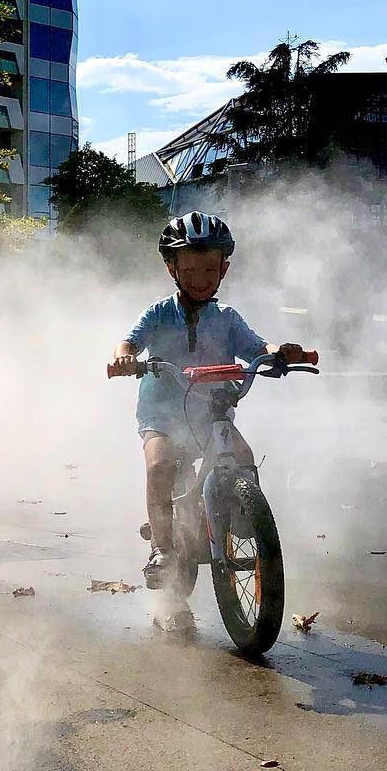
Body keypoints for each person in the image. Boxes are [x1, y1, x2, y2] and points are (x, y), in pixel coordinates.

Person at [108, 212, 309, 593]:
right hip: (162, 415)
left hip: (211, 413)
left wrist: (279, 352)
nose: (201, 279)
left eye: (210, 270)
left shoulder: (227, 318)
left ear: (224, 269)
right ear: (171, 269)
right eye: (190, 270)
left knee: (243, 457)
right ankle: (162, 548)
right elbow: (129, 342)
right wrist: (124, 357)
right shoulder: (158, 313)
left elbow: (256, 347)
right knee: (160, 466)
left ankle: (244, 518)